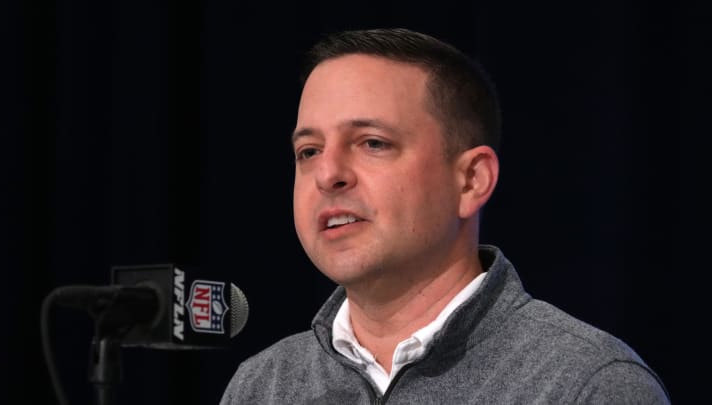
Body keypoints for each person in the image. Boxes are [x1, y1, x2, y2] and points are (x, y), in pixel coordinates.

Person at [219, 27, 670, 404]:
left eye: (373, 142)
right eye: (309, 151)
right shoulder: (264, 386)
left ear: (471, 180)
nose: (328, 174)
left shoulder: (586, 384)